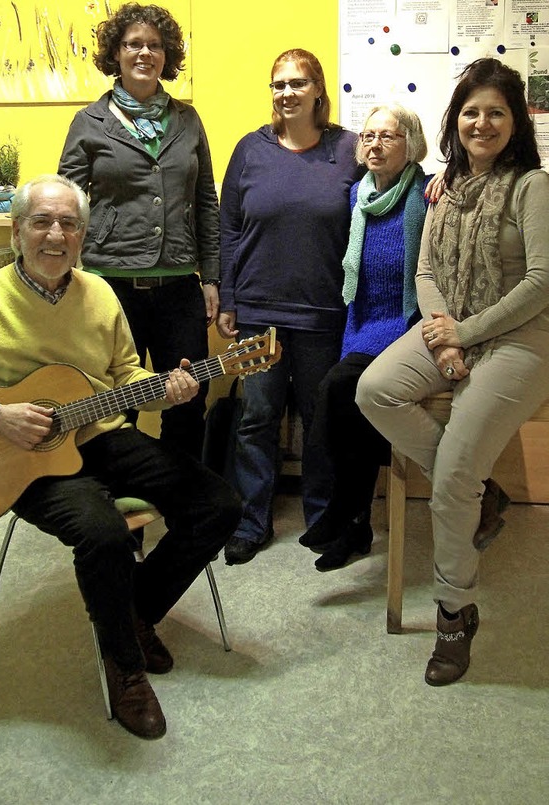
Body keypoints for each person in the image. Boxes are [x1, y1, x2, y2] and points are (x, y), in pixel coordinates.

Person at [0, 175, 241, 739]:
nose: (56, 235)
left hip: (101, 434)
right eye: (42, 221)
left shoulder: (99, 293)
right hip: (18, 456)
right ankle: (125, 668)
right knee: (105, 534)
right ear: (17, 231)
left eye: (69, 224)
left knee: (219, 503)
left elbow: (125, 376)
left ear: (83, 235)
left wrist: (166, 388)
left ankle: (132, 614)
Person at [356, 58, 549, 685]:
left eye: (496, 112)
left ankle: (453, 612)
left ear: (515, 120)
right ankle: (477, 491)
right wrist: (443, 341)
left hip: (520, 339)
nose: (482, 123)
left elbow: (543, 282)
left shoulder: (532, 188)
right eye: (471, 112)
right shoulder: (446, 185)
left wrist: (464, 334)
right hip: (453, 328)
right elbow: (428, 272)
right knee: (375, 390)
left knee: (451, 478)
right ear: (455, 120)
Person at [218, 48, 363, 565]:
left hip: (324, 314)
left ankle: (323, 521)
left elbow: (391, 181)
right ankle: (252, 521)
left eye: (299, 83)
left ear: (318, 90)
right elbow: (229, 228)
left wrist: (431, 182)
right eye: (279, 84)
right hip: (258, 312)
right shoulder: (249, 150)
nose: (287, 92)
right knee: (256, 418)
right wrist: (229, 297)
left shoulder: (347, 149)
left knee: (320, 420)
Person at [58, 2, 220, 459]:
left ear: (166, 55)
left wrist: (211, 276)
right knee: (114, 406)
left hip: (178, 289)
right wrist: (67, 276)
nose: (144, 53)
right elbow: (66, 205)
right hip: (111, 287)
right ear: (117, 53)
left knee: (187, 399)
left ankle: (185, 508)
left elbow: (206, 201)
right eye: (133, 44)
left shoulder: (187, 120)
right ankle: (119, 519)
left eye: (154, 45)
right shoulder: (90, 122)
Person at [298, 104, 429, 572]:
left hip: (405, 327)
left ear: (410, 144)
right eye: (368, 136)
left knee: (335, 390)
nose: (374, 144)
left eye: (387, 136)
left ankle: (344, 509)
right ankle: (357, 527)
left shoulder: (428, 194)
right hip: (361, 324)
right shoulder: (358, 195)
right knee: (349, 410)